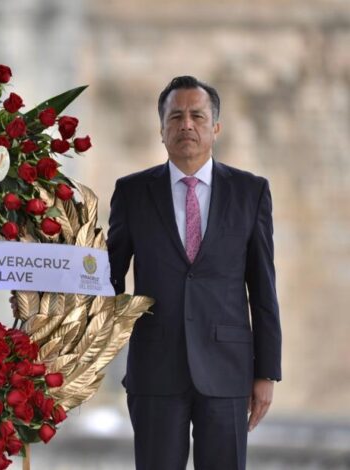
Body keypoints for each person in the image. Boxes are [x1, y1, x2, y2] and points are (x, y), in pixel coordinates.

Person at [107, 75, 281, 470]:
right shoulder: (132, 193)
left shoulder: (250, 192)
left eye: (197, 116)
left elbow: (263, 287)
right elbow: (109, 278)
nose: (186, 124)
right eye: (176, 117)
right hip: (155, 371)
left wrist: (266, 372)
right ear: (162, 130)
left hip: (229, 372)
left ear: (215, 128)